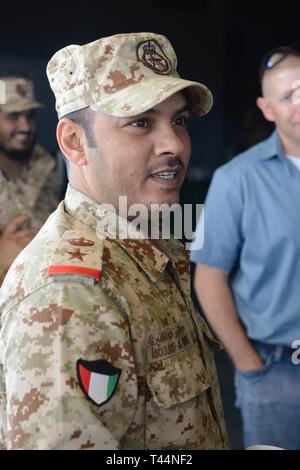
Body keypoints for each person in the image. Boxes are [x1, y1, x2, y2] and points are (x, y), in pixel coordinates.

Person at [0, 33, 228, 450]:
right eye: (141, 122)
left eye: (179, 120)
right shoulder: (68, 296)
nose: (174, 144)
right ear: (74, 142)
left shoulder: (146, 241)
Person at [191, 44, 300, 450]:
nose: (299, 103)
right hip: (276, 375)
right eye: (287, 96)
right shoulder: (234, 179)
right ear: (267, 109)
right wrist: (249, 366)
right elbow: (209, 279)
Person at [0, 75, 60, 285]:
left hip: (45, 299)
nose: (25, 126)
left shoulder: (51, 167)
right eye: (13, 116)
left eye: (30, 115)